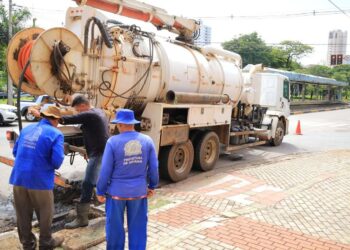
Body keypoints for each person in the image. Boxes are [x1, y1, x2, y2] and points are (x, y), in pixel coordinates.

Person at [96, 109, 159, 250]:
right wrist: (152, 186)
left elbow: (105, 170)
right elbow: (154, 167)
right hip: (139, 192)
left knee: (115, 230)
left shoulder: (112, 142)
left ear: (119, 124)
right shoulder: (147, 141)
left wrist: (100, 191)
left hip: (116, 194)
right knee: (138, 228)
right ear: (133, 124)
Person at [9, 106, 65, 250]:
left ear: (43, 116)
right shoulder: (56, 133)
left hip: (19, 178)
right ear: (56, 120)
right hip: (39, 181)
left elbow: (15, 152)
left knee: (22, 213)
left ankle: (28, 244)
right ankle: (46, 242)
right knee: (45, 212)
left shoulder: (26, 129)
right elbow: (56, 162)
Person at [60, 95, 109, 229]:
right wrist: (88, 151)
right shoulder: (99, 112)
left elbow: (67, 120)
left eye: (78, 110)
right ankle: (110, 209)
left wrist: (44, 115)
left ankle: (82, 218)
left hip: (98, 153)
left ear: (83, 106)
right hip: (100, 151)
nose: (79, 113)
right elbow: (94, 133)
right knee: (102, 180)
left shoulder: (89, 114)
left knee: (87, 183)